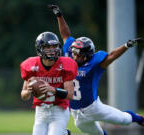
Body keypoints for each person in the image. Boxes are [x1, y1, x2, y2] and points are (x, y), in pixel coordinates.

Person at [49, 5, 144, 135]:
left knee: (124, 119)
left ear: (88, 55)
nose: (75, 56)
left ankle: (140, 119)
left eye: (80, 54)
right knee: (97, 134)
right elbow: (65, 35)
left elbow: (111, 56)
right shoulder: (69, 55)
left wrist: (126, 45)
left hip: (94, 108)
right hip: (77, 114)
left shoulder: (94, 64)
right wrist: (59, 15)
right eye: (74, 53)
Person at [20, 31, 78, 135]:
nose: (52, 50)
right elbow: (23, 96)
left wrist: (53, 90)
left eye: (54, 46)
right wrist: (28, 92)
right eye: (47, 47)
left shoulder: (66, 64)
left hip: (59, 110)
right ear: (40, 49)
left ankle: (63, 133)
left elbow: (70, 95)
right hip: (41, 111)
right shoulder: (31, 65)